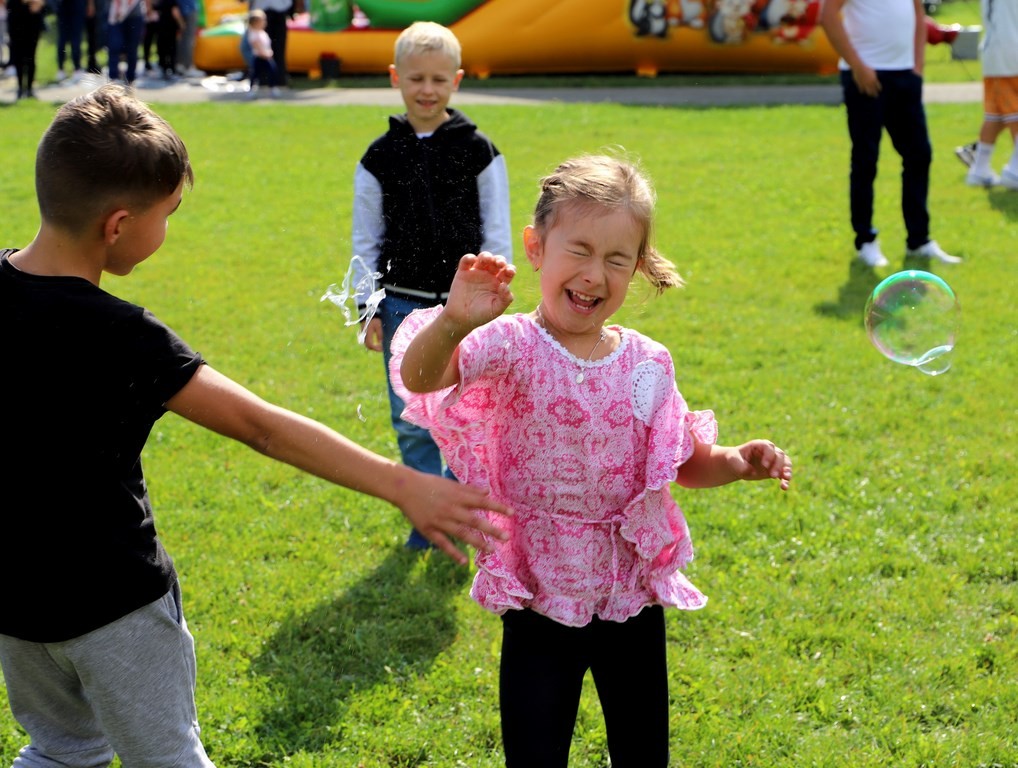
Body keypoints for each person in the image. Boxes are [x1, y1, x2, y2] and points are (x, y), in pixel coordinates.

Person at [0, 83, 510, 768]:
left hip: (16, 608)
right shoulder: (126, 338)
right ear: (118, 225)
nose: (168, 228)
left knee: (60, 753)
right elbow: (260, 426)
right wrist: (401, 483)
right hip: (115, 609)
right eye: (168, 214)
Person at [392, 154, 793, 767]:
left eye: (617, 258)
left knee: (643, 752)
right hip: (540, 590)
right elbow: (421, 378)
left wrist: (738, 460)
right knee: (535, 753)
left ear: (637, 266)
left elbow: (682, 462)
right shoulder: (510, 345)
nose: (594, 274)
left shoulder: (648, 363)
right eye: (578, 250)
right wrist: (453, 321)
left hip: (630, 590)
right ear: (536, 248)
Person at [349, 20, 513, 551]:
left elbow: (498, 229)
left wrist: (494, 297)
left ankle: (464, 515)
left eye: (439, 79)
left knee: (469, 414)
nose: (427, 89)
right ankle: (428, 518)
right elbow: (364, 239)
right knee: (411, 419)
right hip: (401, 307)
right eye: (416, 78)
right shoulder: (378, 156)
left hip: (467, 311)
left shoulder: (480, 150)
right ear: (395, 77)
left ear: (456, 81)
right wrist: (367, 307)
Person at [820, 0, 961, 268]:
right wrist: (858, 67)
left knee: (919, 155)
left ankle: (918, 240)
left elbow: (917, 13)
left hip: (905, 76)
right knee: (866, 160)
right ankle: (866, 240)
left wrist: (917, 67)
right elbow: (827, 15)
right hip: (864, 76)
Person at [953, 0, 1018, 190]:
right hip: (1011, 51)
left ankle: (980, 168)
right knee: (1014, 112)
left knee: (995, 115)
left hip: (994, 50)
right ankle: (1015, 170)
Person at [248, 0, 298, 88]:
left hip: (280, 10)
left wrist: (292, 11)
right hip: (262, 10)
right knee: (263, 48)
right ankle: (263, 80)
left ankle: (279, 79)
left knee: (279, 49)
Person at [4, 0, 44, 99]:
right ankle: (20, 88)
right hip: (16, 19)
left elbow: (39, 4)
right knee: (18, 57)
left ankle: (29, 89)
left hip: (32, 20)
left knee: (31, 57)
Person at [106, 0, 149, 83]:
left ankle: (130, 77)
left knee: (132, 48)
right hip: (116, 15)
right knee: (114, 45)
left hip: (135, 15)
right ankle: (113, 77)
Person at [246, 7, 280, 98]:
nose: (265, 22)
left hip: (267, 57)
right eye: (262, 20)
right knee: (255, 75)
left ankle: (272, 88)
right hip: (259, 57)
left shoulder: (262, 33)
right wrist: (265, 54)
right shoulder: (253, 34)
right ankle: (251, 90)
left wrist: (269, 52)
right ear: (256, 22)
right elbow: (257, 46)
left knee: (272, 72)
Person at [53, 0, 87, 82]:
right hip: (75, 6)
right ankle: (76, 69)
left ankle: (61, 69)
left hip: (62, 6)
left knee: (63, 38)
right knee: (74, 38)